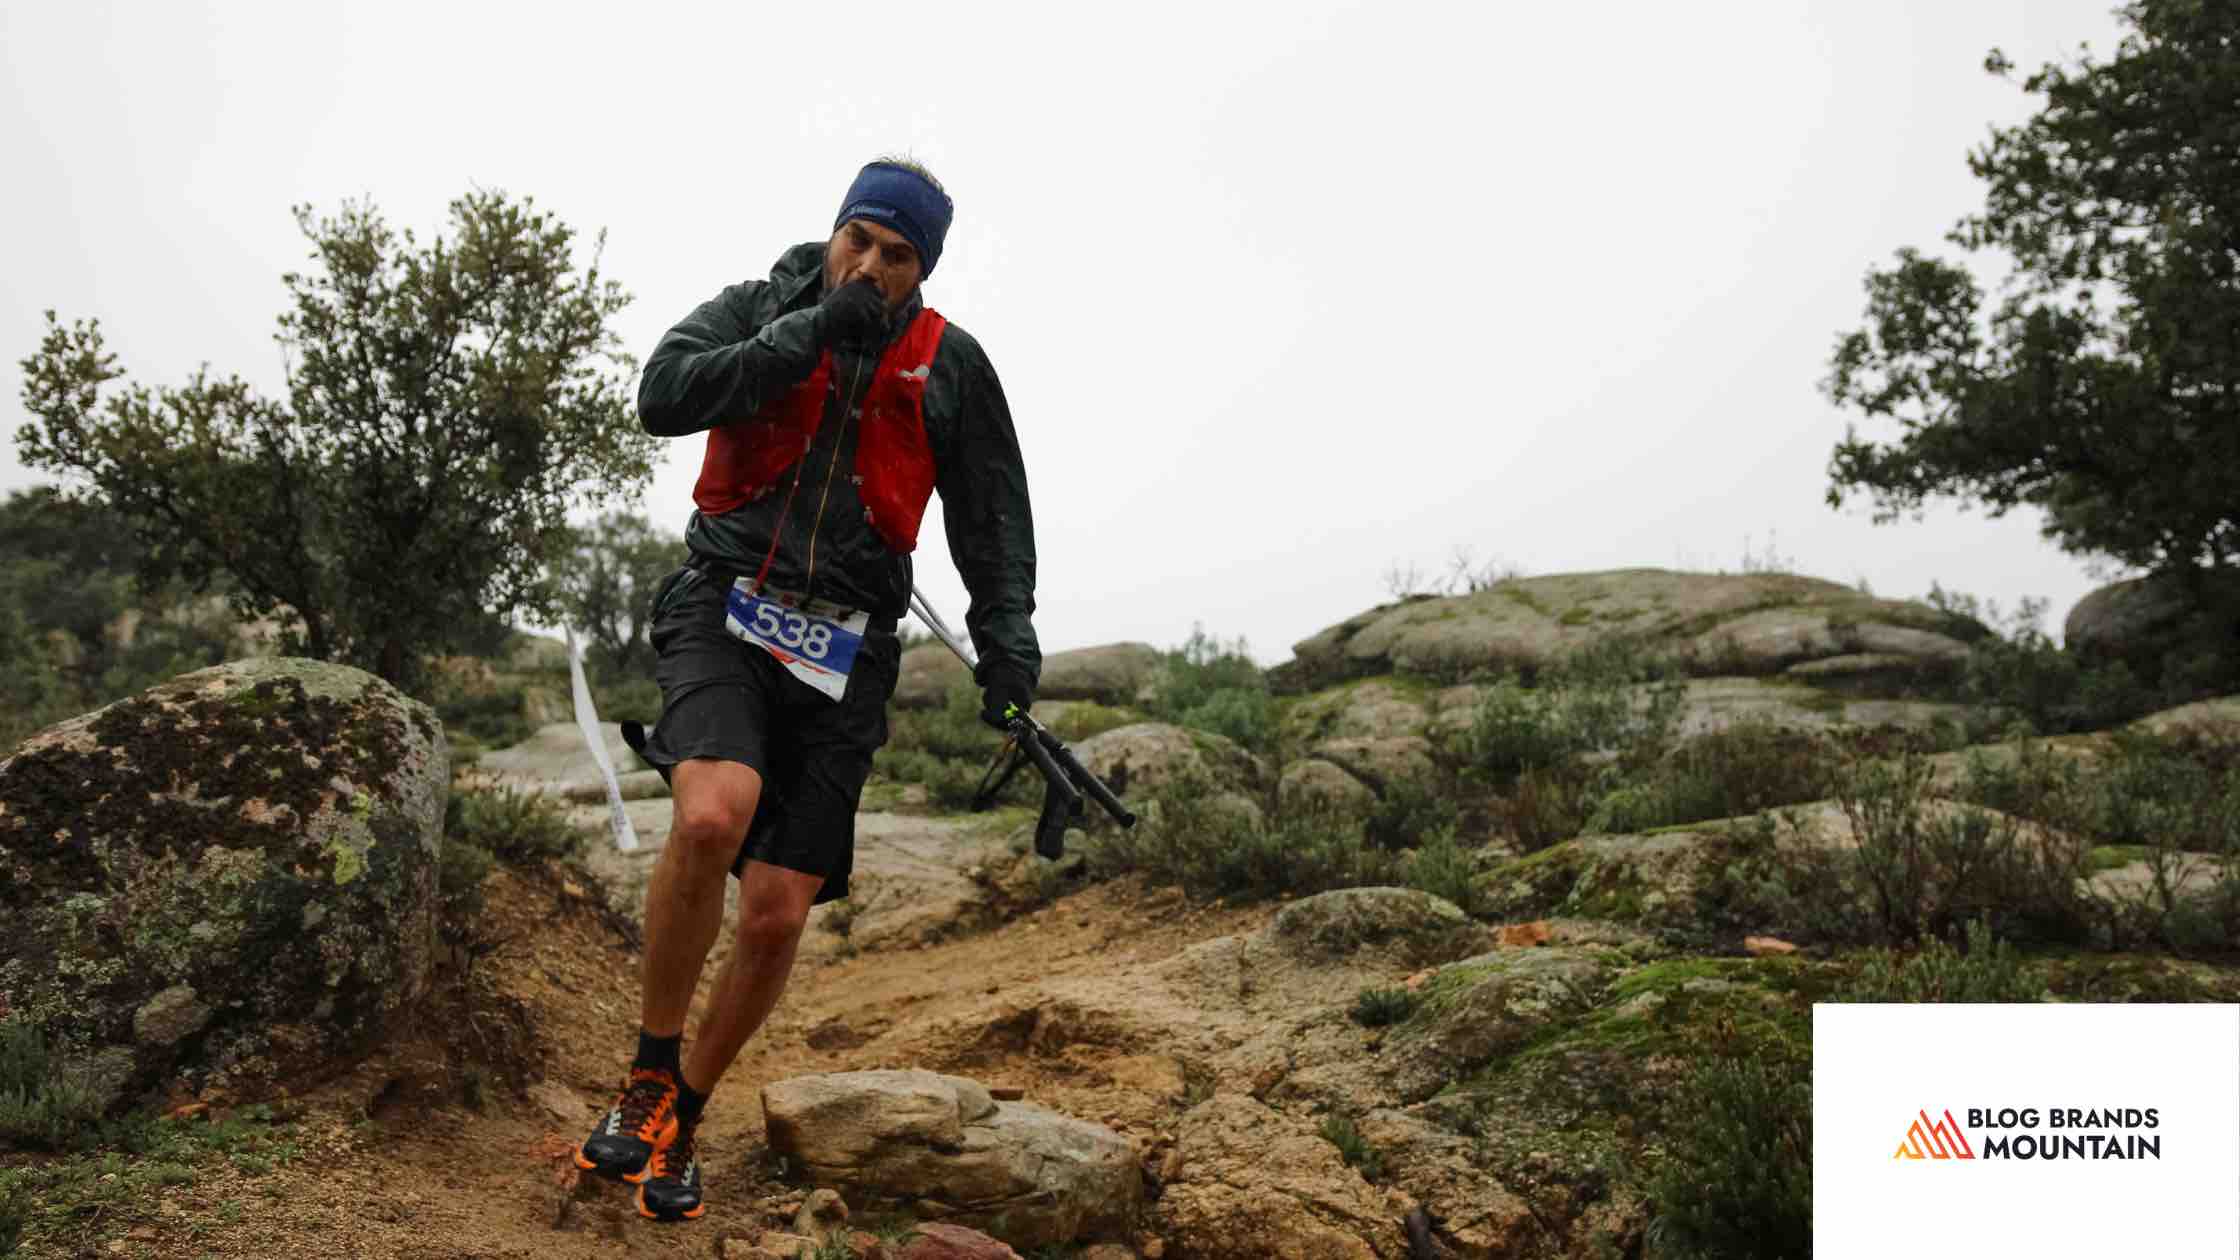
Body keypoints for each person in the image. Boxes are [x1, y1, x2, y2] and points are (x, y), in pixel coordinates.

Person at [574, 156, 1041, 1223]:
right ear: (836, 232)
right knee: (709, 813)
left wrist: (1007, 652)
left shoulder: (950, 365)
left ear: (922, 270)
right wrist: (812, 332)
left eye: (897, 256)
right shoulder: (757, 308)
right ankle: (648, 1072)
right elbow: (663, 397)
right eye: (859, 241)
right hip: (725, 604)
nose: (870, 267)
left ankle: (683, 1119)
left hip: (847, 651)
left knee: (778, 912)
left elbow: (992, 520)